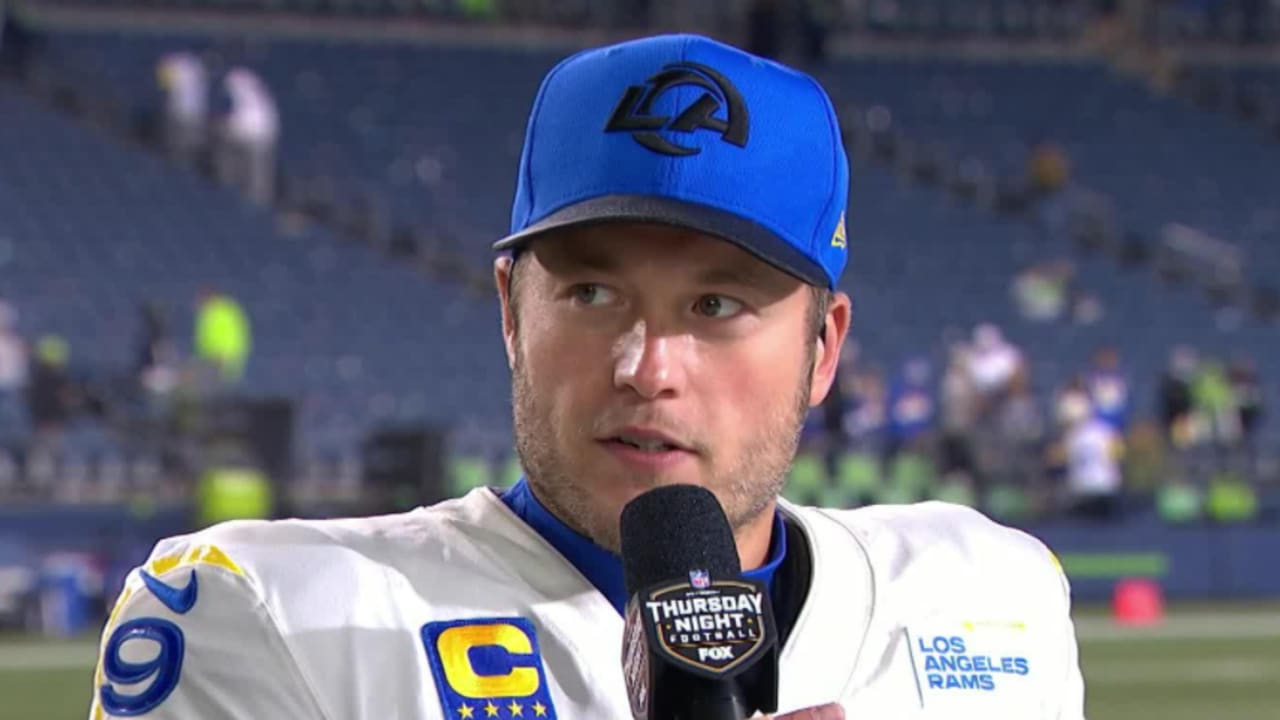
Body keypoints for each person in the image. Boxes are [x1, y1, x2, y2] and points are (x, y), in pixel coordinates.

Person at [90, 35, 1085, 719]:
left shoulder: (987, 594)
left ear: (823, 349)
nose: (645, 368)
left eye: (715, 308)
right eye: (593, 295)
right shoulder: (268, 613)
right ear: (510, 313)